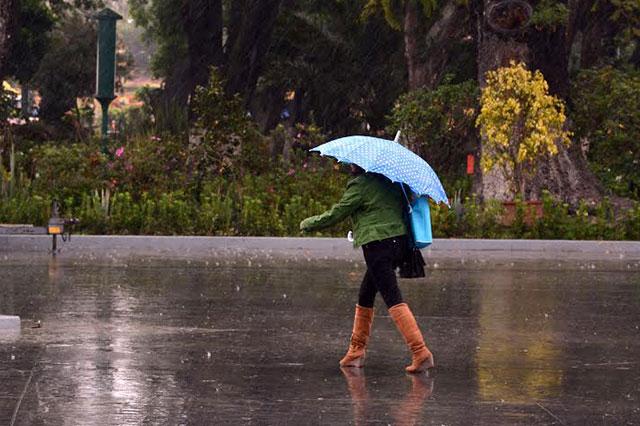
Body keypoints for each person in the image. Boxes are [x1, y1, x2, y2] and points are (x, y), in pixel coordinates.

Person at [300, 164, 434, 373]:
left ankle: (420, 351)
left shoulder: (361, 185)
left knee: (393, 298)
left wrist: (309, 223)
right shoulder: (392, 181)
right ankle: (356, 352)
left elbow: (338, 212)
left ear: (361, 165)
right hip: (399, 243)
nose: (350, 166)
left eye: (353, 163)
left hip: (377, 246)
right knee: (366, 294)